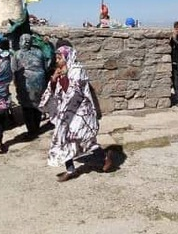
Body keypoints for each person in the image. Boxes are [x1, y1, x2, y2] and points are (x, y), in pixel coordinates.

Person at [39, 46, 113, 182]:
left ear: (68, 57)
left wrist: (64, 78)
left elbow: (74, 92)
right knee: (64, 139)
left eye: (59, 58)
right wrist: (54, 80)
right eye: (57, 58)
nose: (57, 61)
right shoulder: (61, 71)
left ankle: (104, 156)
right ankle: (70, 170)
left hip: (80, 112)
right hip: (65, 112)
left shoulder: (78, 71)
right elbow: (56, 92)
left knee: (84, 139)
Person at [12, 33, 50, 139]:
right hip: (39, 81)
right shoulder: (39, 52)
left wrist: (16, 84)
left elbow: (14, 70)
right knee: (37, 105)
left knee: (27, 106)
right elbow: (45, 67)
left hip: (26, 82)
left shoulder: (17, 54)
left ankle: (31, 131)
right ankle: (36, 128)